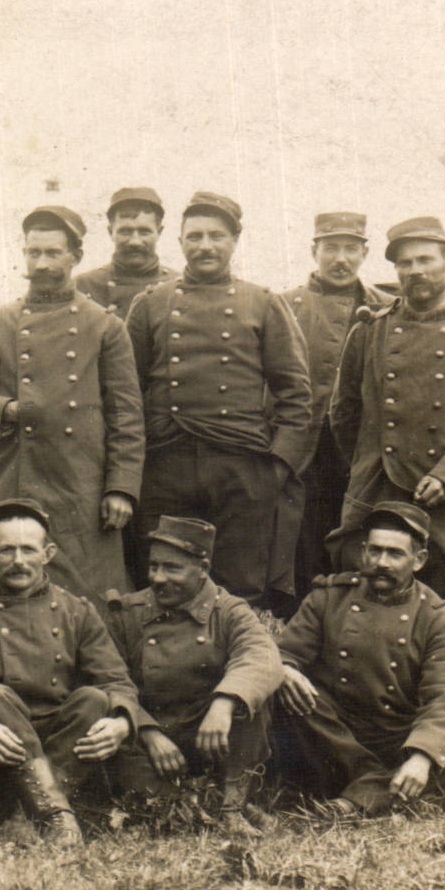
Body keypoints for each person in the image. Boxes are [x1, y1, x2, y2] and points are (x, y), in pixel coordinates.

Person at [327, 216, 445, 667]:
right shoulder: (369, 330)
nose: (416, 271)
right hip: (378, 483)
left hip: (443, 489)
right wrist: (372, 460)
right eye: (405, 263)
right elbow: (344, 411)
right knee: (366, 579)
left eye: (426, 260)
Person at [124, 190, 313, 607]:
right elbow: (125, 393)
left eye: (216, 236)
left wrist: (278, 464)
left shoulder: (263, 303)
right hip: (166, 464)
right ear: (179, 242)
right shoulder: (150, 304)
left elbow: (295, 393)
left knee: (238, 584)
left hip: (240, 465)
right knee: (163, 576)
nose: (205, 246)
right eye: (194, 237)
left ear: (234, 241)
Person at [0, 205, 145, 609]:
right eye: (32, 253)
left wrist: (121, 487)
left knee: (87, 596)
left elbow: (126, 416)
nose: (40, 263)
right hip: (17, 477)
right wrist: (7, 411)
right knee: (4, 590)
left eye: (52, 253)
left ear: (75, 256)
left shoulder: (105, 326)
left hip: (83, 484)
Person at [0, 499, 146, 847]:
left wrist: (121, 722)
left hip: (63, 736)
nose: (18, 561)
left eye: (28, 550)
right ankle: (58, 817)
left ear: (47, 553)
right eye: (6, 551)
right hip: (0, 740)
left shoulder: (77, 611)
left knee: (93, 698)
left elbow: (114, 679)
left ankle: (28, 812)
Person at [274, 502, 445, 820]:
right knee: (290, 696)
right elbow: (284, 651)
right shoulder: (329, 596)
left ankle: (362, 796)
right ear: (363, 553)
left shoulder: (434, 616)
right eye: (374, 551)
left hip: (395, 734)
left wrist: (422, 757)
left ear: (419, 560)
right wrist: (286, 669)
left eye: (395, 554)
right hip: (334, 732)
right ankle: (381, 790)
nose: (381, 563)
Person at [103, 517, 281, 837]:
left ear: (203, 568)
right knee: (167, 812)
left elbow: (261, 656)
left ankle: (232, 807)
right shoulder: (128, 613)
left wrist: (224, 703)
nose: (158, 578)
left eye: (172, 568)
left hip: (210, 737)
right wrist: (147, 732)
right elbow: (110, 677)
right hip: (149, 738)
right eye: (153, 566)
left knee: (253, 698)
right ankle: (194, 801)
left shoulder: (228, 611)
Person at [278, 212, 392, 613]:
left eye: (350, 248)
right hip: (302, 444)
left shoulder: (386, 307)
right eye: (330, 248)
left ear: (364, 252)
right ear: (314, 251)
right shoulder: (286, 305)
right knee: (303, 537)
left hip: (360, 448)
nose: (340, 258)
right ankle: (305, 625)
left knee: (356, 534)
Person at [73, 187, 179, 316]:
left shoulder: (178, 286)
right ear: (111, 232)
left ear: (159, 232)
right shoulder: (83, 285)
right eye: (125, 232)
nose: (135, 241)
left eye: (144, 232)